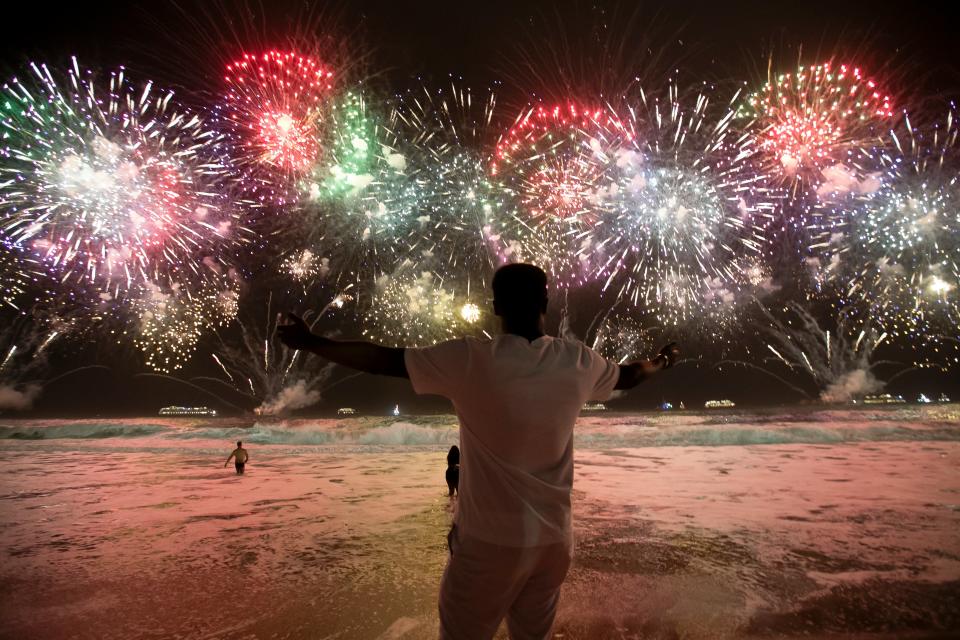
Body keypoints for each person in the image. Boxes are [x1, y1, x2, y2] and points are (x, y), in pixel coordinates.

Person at [277, 263, 678, 640]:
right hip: (554, 542)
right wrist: (663, 360)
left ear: (496, 306)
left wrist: (312, 341)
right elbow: (631, 375)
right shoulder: (578, 361)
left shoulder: (470, 359)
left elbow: (382, 360)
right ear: (546, 304)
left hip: (488, 542)